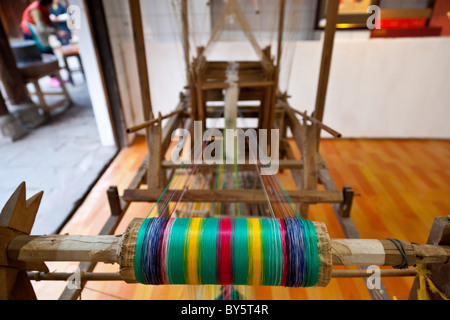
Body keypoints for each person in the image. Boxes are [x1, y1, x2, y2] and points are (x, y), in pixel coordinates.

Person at [20, 0, 69, 86]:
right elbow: (41, 28)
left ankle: (55, 75)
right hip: (33, 33)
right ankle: (52, 77)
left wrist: (57, 30)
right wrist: (57, 32)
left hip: (39, 32)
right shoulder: (35, 9)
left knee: (48, 51)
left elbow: (48, 22)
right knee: (45, 53)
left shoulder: (44, 8)